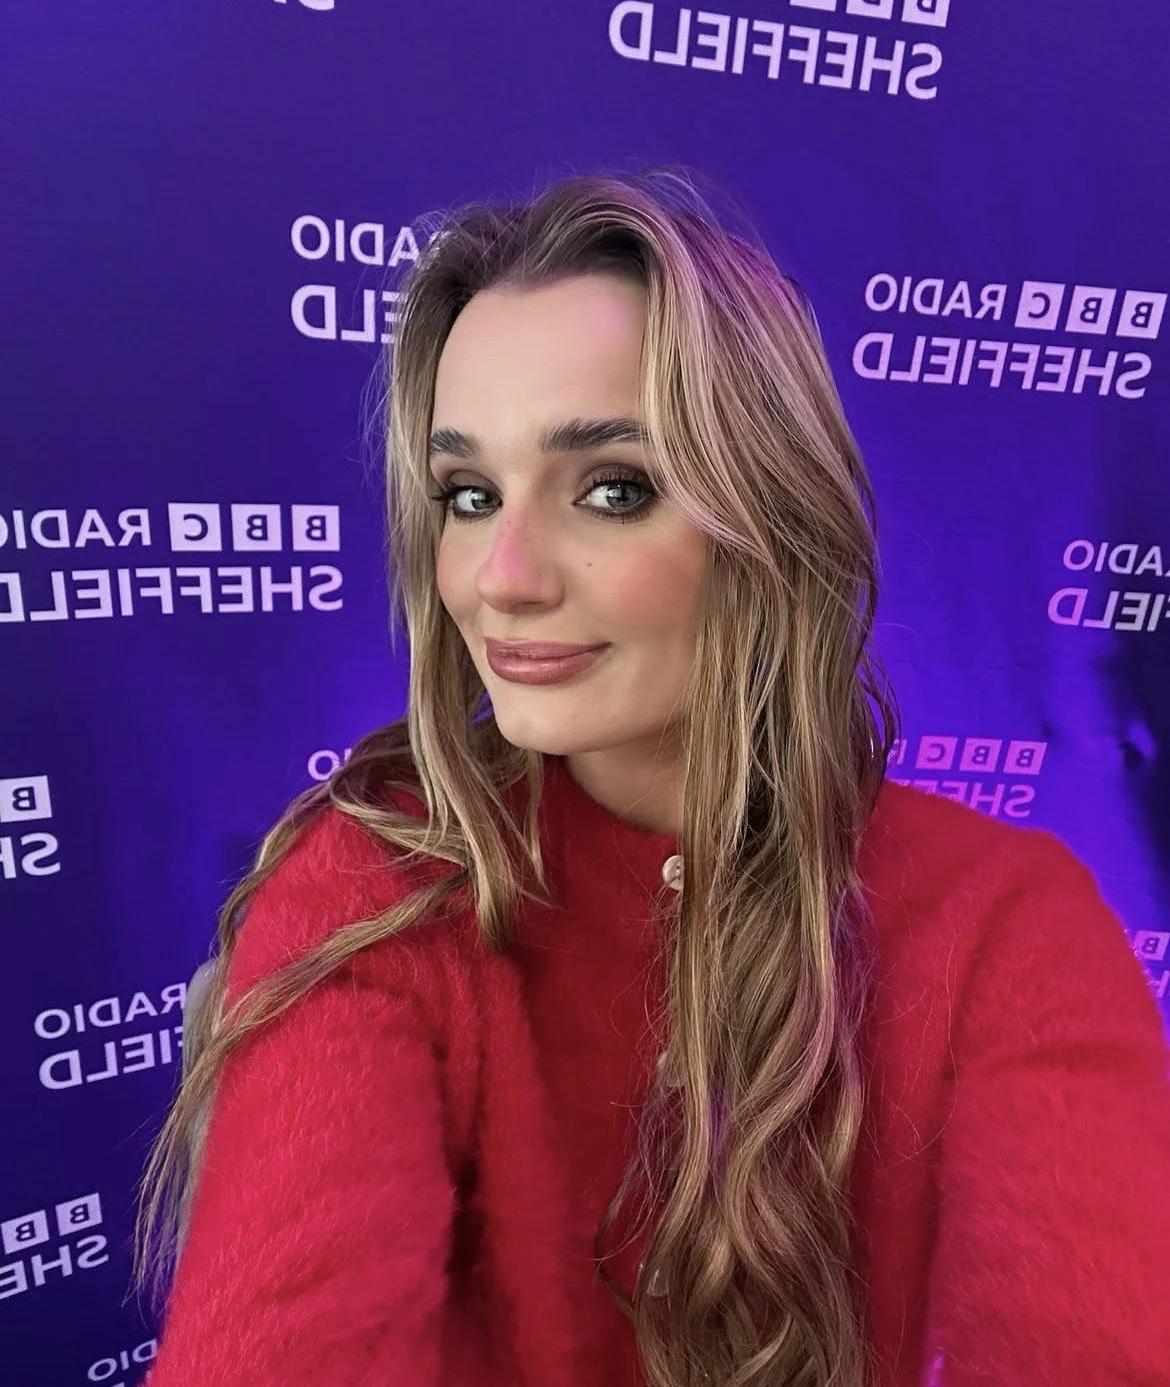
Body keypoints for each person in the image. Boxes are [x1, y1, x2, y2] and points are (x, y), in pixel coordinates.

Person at [133, 168, 1170, 1387]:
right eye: (468, 494)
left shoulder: (1003, 919)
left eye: (611, 489)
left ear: (772, 519)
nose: (500, 577)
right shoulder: (375, 883)